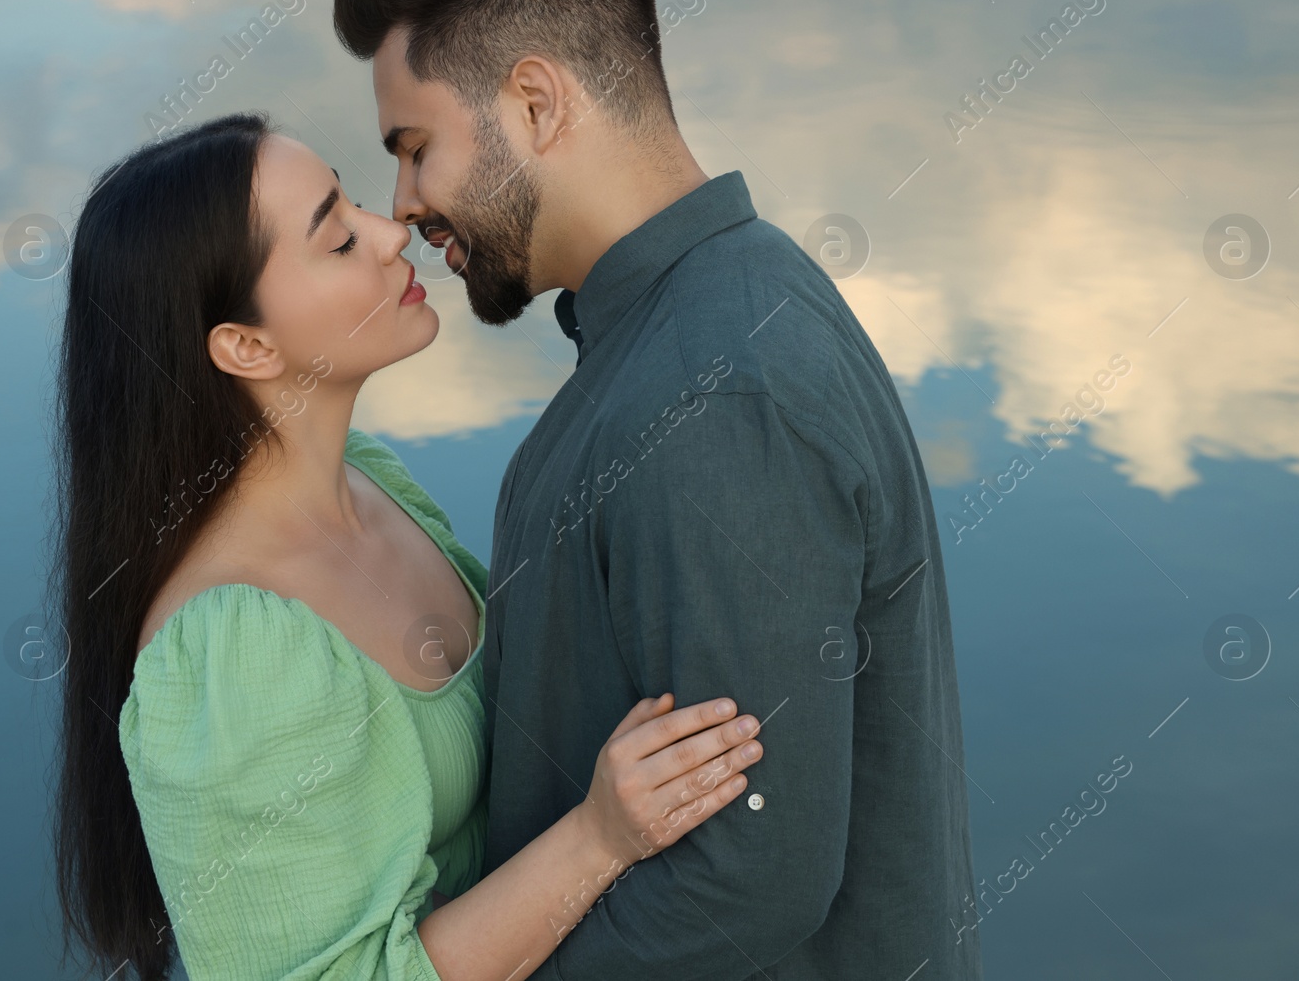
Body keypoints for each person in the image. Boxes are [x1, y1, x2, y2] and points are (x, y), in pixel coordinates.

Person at [333, 0, 981, 977]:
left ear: (535, 104)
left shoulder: (718, 392)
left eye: (415, 148)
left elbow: (748, 868)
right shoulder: (711, 307)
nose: (404, 206)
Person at [50, 112, 767, 981]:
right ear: (246, 345)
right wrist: (598, 837)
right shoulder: (231, 652)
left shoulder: (371, 478)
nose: (396, 234)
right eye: (339, 239)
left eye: (357, 204)